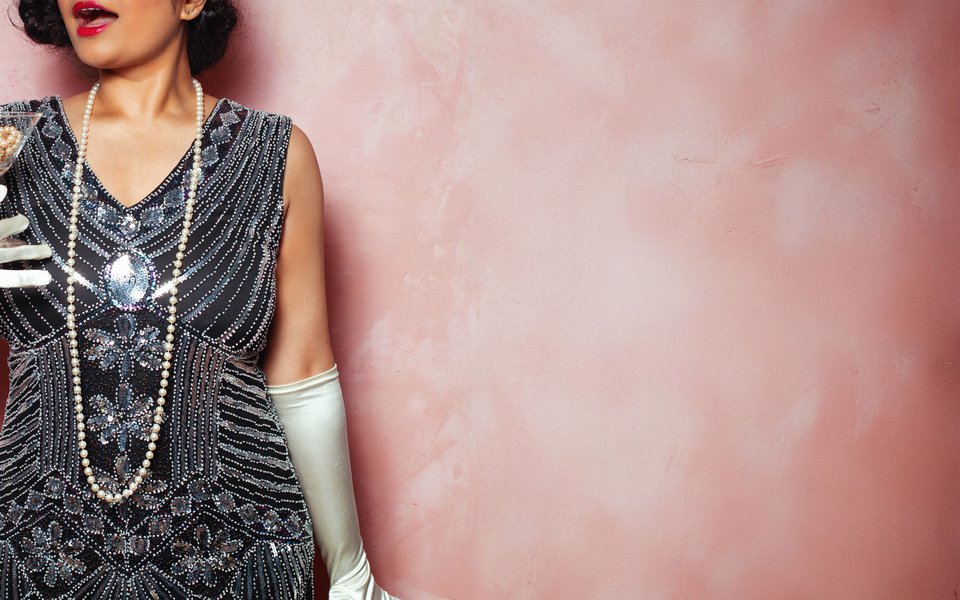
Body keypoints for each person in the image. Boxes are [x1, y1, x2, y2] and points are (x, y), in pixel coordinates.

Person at [0, 0, 397, 598]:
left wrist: (350, 574)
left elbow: (304, 377)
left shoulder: (277, 156)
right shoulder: (7, 147)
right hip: (35, 558)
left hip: (238, 558)